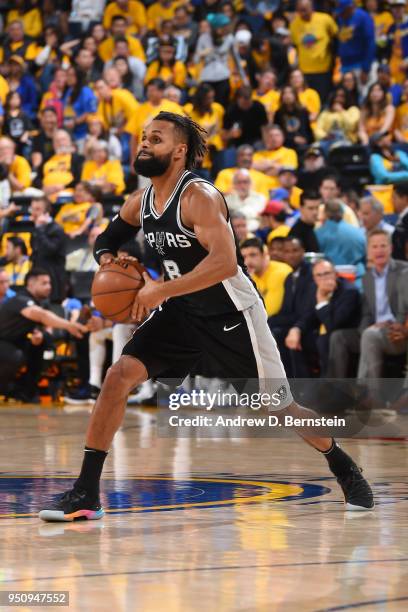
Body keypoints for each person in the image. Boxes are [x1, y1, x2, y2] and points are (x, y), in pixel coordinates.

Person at [39, 111, 373, 521]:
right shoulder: (141, 201)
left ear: (179, 152)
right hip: (182, 312)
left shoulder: (199, 196)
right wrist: (111, 261)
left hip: (231, 314)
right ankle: (86, 493)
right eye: (144, 137)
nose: (145, 144)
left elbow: (225, 264)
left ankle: (343, 464)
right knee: (118, 375)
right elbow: (106, 239)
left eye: (156, 139)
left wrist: (158, 289)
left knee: (278, 408)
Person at [328, 229, 408, 380]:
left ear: (390, 248)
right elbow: (367, 313)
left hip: (396, 332)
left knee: (370, 336)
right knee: (338, 337)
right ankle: (336, 390)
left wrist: (395, 324)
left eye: (383, 246)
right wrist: (364, 329)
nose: (379, 250)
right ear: (368, 251)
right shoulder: (367, 278)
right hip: (373, 330)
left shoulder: (404, 271)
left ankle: (369, 394)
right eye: (374, 246)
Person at [0, 268, 86, 402]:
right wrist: (69, 325)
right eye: (44, 283)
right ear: (31, 284)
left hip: (16, 342)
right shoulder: (21, 298)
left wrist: (41, 335)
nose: (49, 287)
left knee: (41, 344)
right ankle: (6, 388)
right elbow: (41, 315)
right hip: (4, 341)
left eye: (50, 283)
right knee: (15, 355)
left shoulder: (42, 302)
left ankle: (27, 391)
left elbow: (48, 327)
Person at [301, 259, 362, 376]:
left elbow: (333, 325)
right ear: (314, 278)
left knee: (325, 340)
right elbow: (308, 315)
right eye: (319, 275)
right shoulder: (314, 288)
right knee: (296, 338)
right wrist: (297, 329)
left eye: (327, 273)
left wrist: (321, 300)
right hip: (326, 332)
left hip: (346, 333)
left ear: (335, 274)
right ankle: (301, 387)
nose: (323, 278)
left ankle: (331, 387)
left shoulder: (349, 292)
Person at [268, 237, 315, 377]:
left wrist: (296, 328)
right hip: (294, 321)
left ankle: (300, 390)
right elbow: (286, 310)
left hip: (309, 324)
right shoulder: (289, 278)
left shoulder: (312, 273)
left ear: (303, 251)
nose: (291, 255)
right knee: (269, 331)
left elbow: (308, 310)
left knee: (280, 334)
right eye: (287, 251)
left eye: (295, 250)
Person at [289, 0, 338, 103]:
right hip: (305, 71)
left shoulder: (325, 19)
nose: (302, 13)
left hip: (323, 70)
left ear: (312, 7)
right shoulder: (294, 24)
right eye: (300, 10)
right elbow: (295, 47)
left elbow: (335, 38)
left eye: (305, 10)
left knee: (323, 100)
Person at [316, 200, 366, 283]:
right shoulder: (359, 233)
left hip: (329, 282)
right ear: (343, 213)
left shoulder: (317, 234)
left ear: (325, 213)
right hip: (356, 280)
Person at [30, 196, 66, 303]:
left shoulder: (56, 229)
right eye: (32, 209)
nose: (34, 212)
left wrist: (39, 230)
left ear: (46, 212)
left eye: (37, 209)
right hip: (38, 273)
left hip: (53, 279)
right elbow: (34, 248)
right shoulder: (37, 227)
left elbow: (50, 250)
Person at [336, 0, 375, 89]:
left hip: (359, 65)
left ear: (350, 8)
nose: (340, 14)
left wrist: (365, 69)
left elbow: (370, 44)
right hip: (345, 64)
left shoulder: (363, 18)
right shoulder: (342, 18)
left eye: (342, 11)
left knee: (361, 94)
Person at [252, 124, 298, 189]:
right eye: (271, 136)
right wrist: (273, 165)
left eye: (277, 135)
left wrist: (265, 166)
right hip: (259, 190)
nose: (274, 138)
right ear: (266, 139)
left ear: (283, 137)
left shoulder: (289, 152)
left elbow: (286, 171)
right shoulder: (257, 154)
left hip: (279, 190)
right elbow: (251, 168)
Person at [392, 182, 408, 261]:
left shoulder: (406, 219)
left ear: (405, 199)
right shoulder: (403, 217)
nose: (391, 201)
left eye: (394, 198)